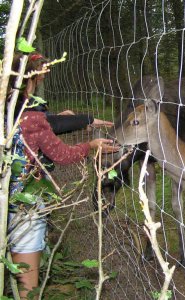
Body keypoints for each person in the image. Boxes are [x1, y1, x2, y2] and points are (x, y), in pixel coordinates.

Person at [6, 52, 119, 299]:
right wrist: (89, 147)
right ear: (30, 79)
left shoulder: (18, 114)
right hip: (24, 202)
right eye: (41, 74)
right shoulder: (32, 117)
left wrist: (62, 119)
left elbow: (48, 123)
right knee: (27, 285)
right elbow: (62, 154)